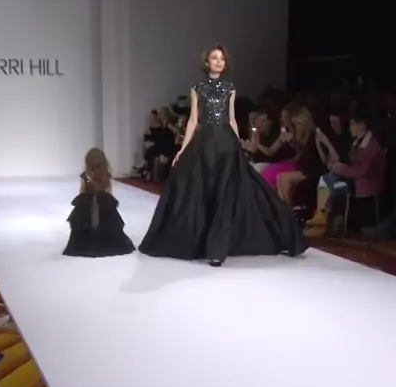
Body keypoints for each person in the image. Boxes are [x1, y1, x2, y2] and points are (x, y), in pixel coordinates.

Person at [139, 45, 308, 266]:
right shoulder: (198, 88)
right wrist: (183, 148)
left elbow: (231, 119)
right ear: (206, 62)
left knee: (227, 193)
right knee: (202, 190)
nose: (218, 61)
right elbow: (193, 120)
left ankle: (217, 249)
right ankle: (206, 243)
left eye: (222, 58)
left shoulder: (229, 88)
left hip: (226, 144)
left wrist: (238, 144)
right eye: (214, 58)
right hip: (205, 143)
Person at [62, 148, 135, 258]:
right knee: (108, 224)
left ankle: (86, 242)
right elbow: (109, 190)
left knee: (85, 224)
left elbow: (82, 190)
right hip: (104, 203)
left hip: (86, 204)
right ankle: (104, 242)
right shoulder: (106, 175)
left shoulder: (85, 176)